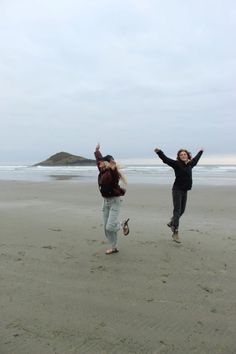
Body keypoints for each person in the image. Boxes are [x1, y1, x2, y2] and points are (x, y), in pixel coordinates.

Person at [154, 147, 204, 243]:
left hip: (185, 190)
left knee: (182, 210)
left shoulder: (190, 164)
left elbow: (196, 159)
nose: (183, 155)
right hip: (177, 190)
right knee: (177, 211)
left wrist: (200, 151)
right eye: (181, 155)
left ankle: (172, 222)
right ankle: (175, 232)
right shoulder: (177, 164)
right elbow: (166, 160)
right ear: (179, 157)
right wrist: (159, 152)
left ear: (187, 155)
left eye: (184, 154)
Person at [94, 143, 130, 254]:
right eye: (99, 162)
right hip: (105, 202)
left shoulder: (111, 173)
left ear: (105, 164)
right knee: (106, 228)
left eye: (100, 162)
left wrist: (113, 168)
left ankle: (123, 224)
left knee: (110, 226)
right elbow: (98, 160)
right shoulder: (102, 171)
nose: (99, 163)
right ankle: (114, 248)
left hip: (115, 201)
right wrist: (97, 151)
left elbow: (114, 175)